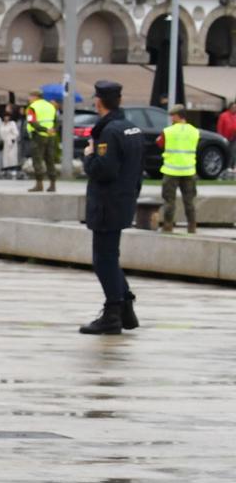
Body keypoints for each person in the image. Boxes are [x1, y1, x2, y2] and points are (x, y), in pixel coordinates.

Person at [79, 80, 146, 335]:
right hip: (125, 199)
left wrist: (88, 156)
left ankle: (113, 313)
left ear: (99, 101)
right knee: (110, 257)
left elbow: (103, 170)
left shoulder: (109, 132)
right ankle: (125, 306)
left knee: (103, 259)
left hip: (107, 202)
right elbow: (138, 169)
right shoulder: (132, 128)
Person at [157, 103, 199, 235]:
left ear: (178, 116)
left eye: (173, 116)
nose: (171, 118)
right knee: (189, 201)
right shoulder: (194, 131)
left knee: (169, 201)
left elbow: (159, 143)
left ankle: (168, 227)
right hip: (189, 171)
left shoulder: (168, 131)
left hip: (171, 171)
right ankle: (192, 227)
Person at [25, 87, 59, 192]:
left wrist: (43, 129)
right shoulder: (50, 106)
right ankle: (52, 185)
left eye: (30, 96)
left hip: (38, 135)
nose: (29, 99)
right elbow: (56, 120)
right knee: (50, 159)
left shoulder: (32, 107)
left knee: (37, 159)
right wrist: (51, 130)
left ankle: (39, 185)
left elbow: (32, 121)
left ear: (35, 97)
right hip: (51, 136)